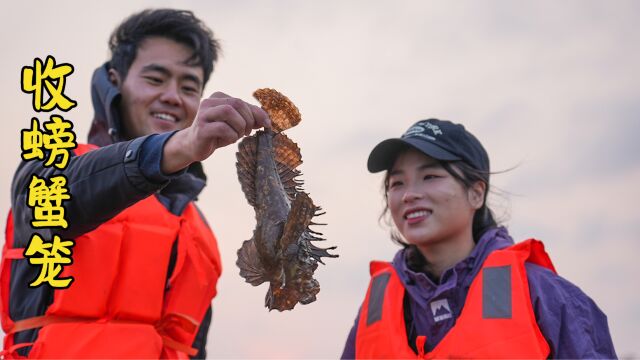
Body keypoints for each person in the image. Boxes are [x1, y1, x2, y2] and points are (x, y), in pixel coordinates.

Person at [1, 9, 269, 359]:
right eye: (156, 79)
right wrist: (179, 147)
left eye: (189, 86)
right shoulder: (49, 166)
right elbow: (64, 198)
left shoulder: (197, 231)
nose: (173, 96)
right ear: (114, 82)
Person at [341, 119, 616, 359]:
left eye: (430, 176)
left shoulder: (544, 295)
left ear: (476, 193)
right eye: (397, 183)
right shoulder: (375, 310)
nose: (409, 194)